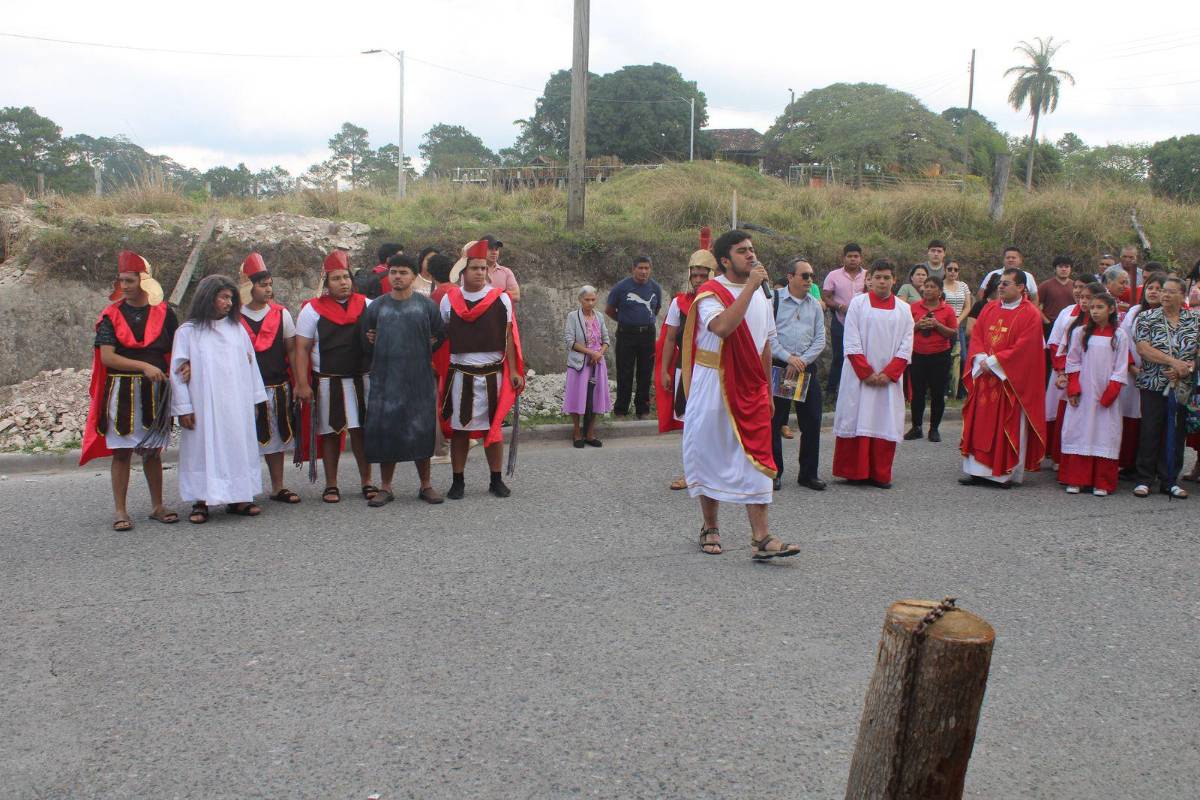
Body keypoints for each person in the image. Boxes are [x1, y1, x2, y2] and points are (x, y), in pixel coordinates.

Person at [679, 229, 799, 560]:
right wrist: (749, 288)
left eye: (752, 249)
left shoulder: (762, 295)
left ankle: (761, 537)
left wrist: (768, 390)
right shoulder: (710, 292)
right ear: (724, 260)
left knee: (758, 458)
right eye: (742, 251)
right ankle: (710, 526)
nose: (751, 254)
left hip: (751, 385)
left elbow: (765, 343)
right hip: (714, 383)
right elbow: (722, 328)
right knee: (709, 453)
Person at [81, 251, 178, 531]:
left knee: (152, 452)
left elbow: (178, 348)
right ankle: (120, 511)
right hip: (122, 392)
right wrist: (143, 366)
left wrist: (185, 367)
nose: (123, 286)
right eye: (121, 280)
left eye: (130, 280)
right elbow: (107, 357)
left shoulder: (165, 313)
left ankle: (158, 506)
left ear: (143, 281)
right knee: (121, 453)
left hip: (155, 391)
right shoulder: (111, 315)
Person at [170, 275, 268, 523]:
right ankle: (200, 501)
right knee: (201, 449)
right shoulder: (188, 332)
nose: (229, 302)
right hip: (202, 403)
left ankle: (239, 497)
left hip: (236, 403)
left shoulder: (237, 330)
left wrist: (256, 400)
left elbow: (251, 365)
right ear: (208, 297)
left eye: (231, 298)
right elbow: (178, 371)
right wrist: (183, 407)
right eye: (223, 297)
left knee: (237, 446)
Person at [438, 239, 526, 499]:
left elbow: (509, 337)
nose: (480, 272)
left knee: (493, 430)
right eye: (474, 268)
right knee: (460, 431)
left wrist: (514, 371)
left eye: (483, 268)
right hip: (460, 374)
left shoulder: (501, 299)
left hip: (492, 375)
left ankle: (496, 479)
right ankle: (458, 481)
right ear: (463, 272)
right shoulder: (449, 300)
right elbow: (442, 335)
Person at [361, 254, 446, 506]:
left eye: (403, 272)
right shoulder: (377, 307)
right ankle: (386, 487)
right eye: (393, 272)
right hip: (385, 380)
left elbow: (440, 334)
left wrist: (429, 346)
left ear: (413, 276)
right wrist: (370, 340)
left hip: (419, 379)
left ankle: (426, 485)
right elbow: (366, 339)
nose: (397, 277)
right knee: (387, 431)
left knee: (421, 430)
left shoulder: (426, 306)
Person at [295, 250, 377, 504]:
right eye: (336, 278)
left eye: (346, 277)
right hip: (328, 380)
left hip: (362, 379)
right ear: (327, 282)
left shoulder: (368, 305)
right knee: (330, 433)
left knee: (362, 431)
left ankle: (367, 481)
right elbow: (302, 348)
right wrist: (302, 383)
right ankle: (331, 484)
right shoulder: (312, 310)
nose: (343, 282)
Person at [959, 268, 1047, 487]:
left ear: (1021, 287)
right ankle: (976, 471)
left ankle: (1002, 474)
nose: (1000, 287)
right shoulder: (989, 308)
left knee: (1004, 424)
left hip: (1009, 382)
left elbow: (1025, 348)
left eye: (1006, 283)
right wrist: (980, 358)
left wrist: (993, 362)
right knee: (980, 424)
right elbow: (977, 334)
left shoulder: (1030, 314)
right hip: (984, 377)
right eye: (1000, 283)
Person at [830, 259, 913, 488]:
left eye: (887, 277)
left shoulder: (904, 309)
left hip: (888, 380)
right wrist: (865, 372)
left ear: (894, 280)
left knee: (883, 420)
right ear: (869, 279)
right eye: (878, 277)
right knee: (856, 417)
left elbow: (907, 345)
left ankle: (879, 473)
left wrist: (889, 373)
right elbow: (851, 340)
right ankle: (854, 472)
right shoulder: (858, 304)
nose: (882, 282)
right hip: (859, 377)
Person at [238, 252, 302, 504]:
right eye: (262, 285)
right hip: (244, 388)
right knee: (244, 439)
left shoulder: (281, 314)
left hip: (276, 384)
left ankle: (278, 486)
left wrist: (299, 383)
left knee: (276, 437)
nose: (268, 289)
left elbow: (292, 349)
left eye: (269, 284)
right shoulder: (234, 316)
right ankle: (244, 490)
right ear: (249, 287)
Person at [656, 242, 717, 489]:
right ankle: (691, 473)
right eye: (695, 275)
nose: (698, 280)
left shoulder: (720, 301)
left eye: (703, 275)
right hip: (687, 369)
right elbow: (670, 338)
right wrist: (664, 370)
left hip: (715, 369)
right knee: (690, 424)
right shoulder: (679, 303)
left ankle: (715, 472)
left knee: (715, 422)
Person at [1058, 292, 1131, 496]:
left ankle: (1102, 481)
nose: (1095, 311)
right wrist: (1073, 388)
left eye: (1100, 307)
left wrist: (1111, 392)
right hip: (1083, 392)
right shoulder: (1080, 333)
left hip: (1106, 393)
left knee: (1104, 433)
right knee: (1079, 431)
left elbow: (1121, 367)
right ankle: (1077, 479)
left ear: (1111, 309)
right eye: (1092, 308)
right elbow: (1073, 361)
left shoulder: (1119, 336)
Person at [1131, 276, 1197, 499]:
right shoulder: (1147, 317)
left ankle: (1169, 480)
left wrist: (1186, 368)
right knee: (1150, 429)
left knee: (1176, 432)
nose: (1165, 295)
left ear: (1182, 296)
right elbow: (1143, 348)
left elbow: (1197, 352)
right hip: (1153, 383)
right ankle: (1144, 479)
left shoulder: (1194, 319)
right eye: (1163, 291)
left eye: (1171, 291)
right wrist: (1172, 362)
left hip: (1181, 385)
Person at [770, 258, 827, 491]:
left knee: (812, 421)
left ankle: (808, 474)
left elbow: (820, 339)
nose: (809, 280)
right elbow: (768, 335)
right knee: (775, 421)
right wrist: (788, 358)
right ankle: (774, 472)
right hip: (781, 366)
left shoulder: (814, 305)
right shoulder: (774, 300)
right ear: (790, 277)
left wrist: (801, 361)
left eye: (811, 276)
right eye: (804, 275)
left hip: (804, 367)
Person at [1045, 278, 1102, 468]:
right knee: (1067, 415)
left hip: (1094, 377)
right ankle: (1061, 457)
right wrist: (1062, 372)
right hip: (1070, 375)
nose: (1083, 300)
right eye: (1080, 295)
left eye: (1088, 297)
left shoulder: (1106, 325)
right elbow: (1058, 346)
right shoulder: (1070, 318)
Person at [1118, 273, 1164, 475]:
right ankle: (1127, 463)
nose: (1153, 292)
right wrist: (1131, 367)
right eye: (1150, 288)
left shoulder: (1170, 316)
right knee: (1130, 415)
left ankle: (1150, 466)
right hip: (1132, 373)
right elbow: (1122, 341)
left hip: (1158, 375)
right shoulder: (1134, 312)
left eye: (1159, 289)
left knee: (1152, 420)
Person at [605, 256, 662, 419]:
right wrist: (626, 321)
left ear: (650, 269)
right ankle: (621, 410)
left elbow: (656, 309)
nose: (644, 271)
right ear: (633, 269)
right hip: (626, 334)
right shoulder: (622, 287)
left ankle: (642, 410)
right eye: (640, 268)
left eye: (647, 268)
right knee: (625, 372)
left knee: (645, 372)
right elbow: (609, 310)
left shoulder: (655, 288)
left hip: (647, 334)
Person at [905, 275, 958, 442]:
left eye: (932, 287)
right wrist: (918, 325)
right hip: (917, 355)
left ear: (940, 291)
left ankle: (934, 428)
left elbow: (953, 333)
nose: (927, 289)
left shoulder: (948, 310)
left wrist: (937, 325)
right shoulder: (913, 307)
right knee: (917, 393)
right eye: (926, 286)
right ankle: (916, 427)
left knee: (937, 393)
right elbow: (904, 331)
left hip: (940, 356)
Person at [563, 285, 612, 448]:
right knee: (577, 397)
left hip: (597, 363)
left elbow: (606, 340)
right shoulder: (573, 316)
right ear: (580, 300)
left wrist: (598, 354)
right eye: (587, 300)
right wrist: (591, 353)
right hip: (579, 364)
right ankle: (577, 433)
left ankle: (590, 433)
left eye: (593, 299)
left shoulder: (599, 316)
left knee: (595, 398)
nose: (590, 303)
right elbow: (569, 341)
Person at [822, 243, 866, 396]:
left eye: (856, 256)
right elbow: (826, 297)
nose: (853, 259)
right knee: (839, 357)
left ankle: (857, 390)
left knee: (861, 356)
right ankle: (831, 392)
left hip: (863, 323)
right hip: (840, 321)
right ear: (843, 258)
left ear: (861, 258)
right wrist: (839, 306)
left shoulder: (868, 275)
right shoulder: (833, 275)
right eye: (849, 256)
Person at [428, 253, 456, 465]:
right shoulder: (458, 291)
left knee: (439, 398)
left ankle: (442, 449)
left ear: (431, 274)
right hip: (458, 350)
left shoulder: (437, 295)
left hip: (440, 351)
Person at [942, 261, 972, 399]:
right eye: (950, 269)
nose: (953, 272)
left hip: (958, 323)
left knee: (963, 358)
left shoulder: (963, 285)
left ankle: (960, 390)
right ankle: (944, 390)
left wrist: (958, 320)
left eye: (956, 269)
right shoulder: (940, 285)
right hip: (943, 324)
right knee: (945, 357)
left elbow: (968, 306)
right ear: (945, 270)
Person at [1038, 256, 1078, 338]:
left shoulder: (1076, 286)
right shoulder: (1045, 285)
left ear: (1070, 269)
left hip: (1071, 324)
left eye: (1067, 267)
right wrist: (1046, 321)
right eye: (1060, 267)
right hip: (1051, 324)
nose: (1064, 269)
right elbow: (1035, 304)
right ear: (1055, 269)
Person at [478, 234, 520, 301]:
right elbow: (468, 295)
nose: (494, 252)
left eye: (496, 249)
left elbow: (516, 295)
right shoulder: (471, 271)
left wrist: (492, 296)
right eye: (490, 249)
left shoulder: (506, 272)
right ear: (481, 250)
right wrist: (502, 294)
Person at [1113, 245, 1142, 309]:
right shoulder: (1111, 271)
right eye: (1124, 256)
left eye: (1131, 257)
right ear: (1120, 257)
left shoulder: (1142, 274)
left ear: (1136, 258)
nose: (1127, 259)